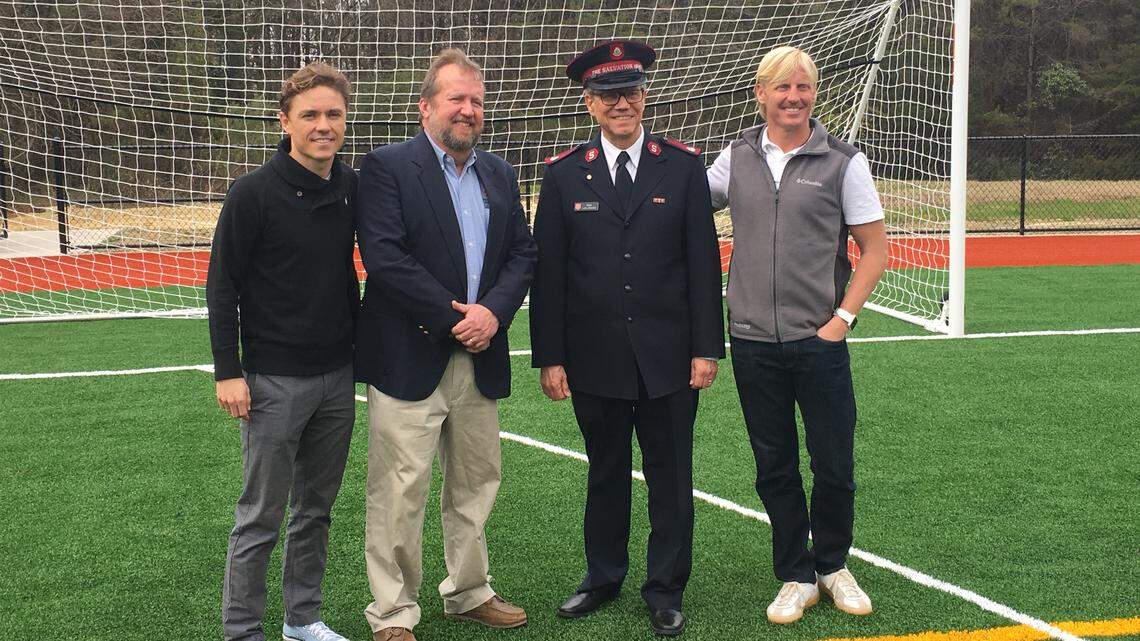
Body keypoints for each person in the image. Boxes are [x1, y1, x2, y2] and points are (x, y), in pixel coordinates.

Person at [529, 40, 725, 637]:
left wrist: (706, 348)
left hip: (669, 356)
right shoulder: (563, 174)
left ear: (644, 98)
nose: (623, 104)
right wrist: (550, 357)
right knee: (605, 471)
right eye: (609, 95)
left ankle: (665, 588)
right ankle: (603, 576)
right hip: (595, 358)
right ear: (589, 103)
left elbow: (702, 263)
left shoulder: (684, 166)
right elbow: (550, 275)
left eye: (632, 93)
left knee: (670, 477)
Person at [354, 48, 537, 641]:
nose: (468, 110)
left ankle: (468, 591)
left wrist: (494, 312)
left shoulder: (500, 173)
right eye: (456, 98)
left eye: (476, 101)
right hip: (411, 354)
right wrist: (457, 316)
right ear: (425, 106)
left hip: (480, 358)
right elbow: (384, 257)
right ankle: (393, 612)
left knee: (476, 484)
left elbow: (521, 254)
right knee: (398, 490)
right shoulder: (385, 167)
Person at [706, 45, 889, 625]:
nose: (792, 97)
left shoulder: (842, 160)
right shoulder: (734, 159)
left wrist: (842, 321)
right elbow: (682, 208)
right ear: (760, 94)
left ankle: (833, 564)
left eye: (803, 87)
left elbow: (875, 250)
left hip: (820, 342)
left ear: (814, 94)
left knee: (834, 460)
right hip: (755, 343)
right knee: (774, 464)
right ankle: (795, 573)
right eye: (781, 88)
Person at [207, 61, 359, 641]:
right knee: (259, 517)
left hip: (336, 378)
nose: (324, 125)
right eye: (310, 115)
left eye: (333, 114)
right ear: (285, 121)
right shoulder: (252, 193)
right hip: (272, 381)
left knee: (315, 512)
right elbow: (222, 288)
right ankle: (242, 630)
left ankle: (303, 620)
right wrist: (229, 372)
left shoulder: (350, 185)